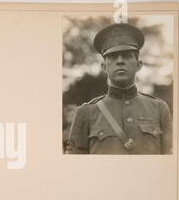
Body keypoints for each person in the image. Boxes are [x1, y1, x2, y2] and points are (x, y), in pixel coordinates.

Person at [66, 23, 172, 155]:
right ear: (104, 67)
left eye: (127, 56)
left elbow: (170, 163)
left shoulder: (159, 109)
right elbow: (73, 167)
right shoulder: (86, 112)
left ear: (138, 65)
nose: (120, 61)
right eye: (113, 57)